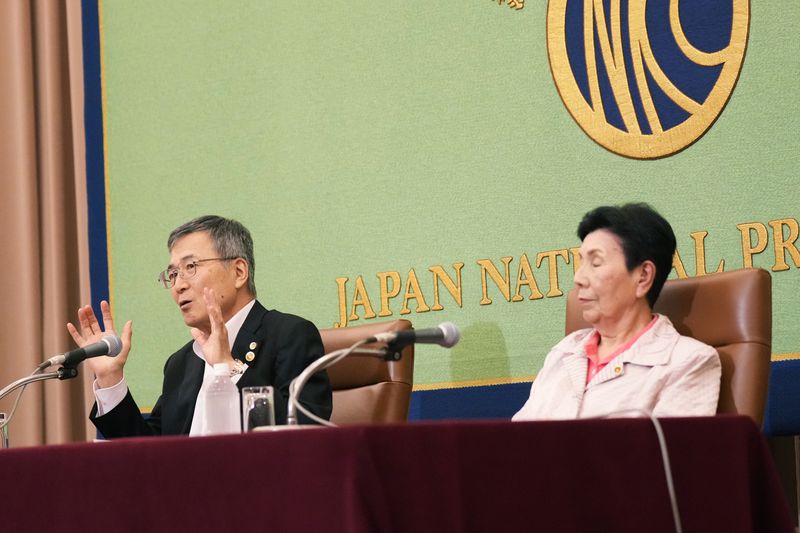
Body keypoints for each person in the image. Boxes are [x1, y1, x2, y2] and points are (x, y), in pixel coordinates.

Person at [67, 215, 331, 437]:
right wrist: (110, 380)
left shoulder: (289, 335)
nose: (179, 285)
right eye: (172, 274)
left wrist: (226, 369)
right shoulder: (180, 364)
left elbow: (305, 436)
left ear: (239, 271)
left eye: (190, 267)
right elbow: (152, 454)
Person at [513, 203, 721, 420]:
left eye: (596, 263)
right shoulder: (563, 352)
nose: (578, 278)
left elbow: (670, 452)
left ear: (643, 276)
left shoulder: (688, 362)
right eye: (580, 262)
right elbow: (516, 442)